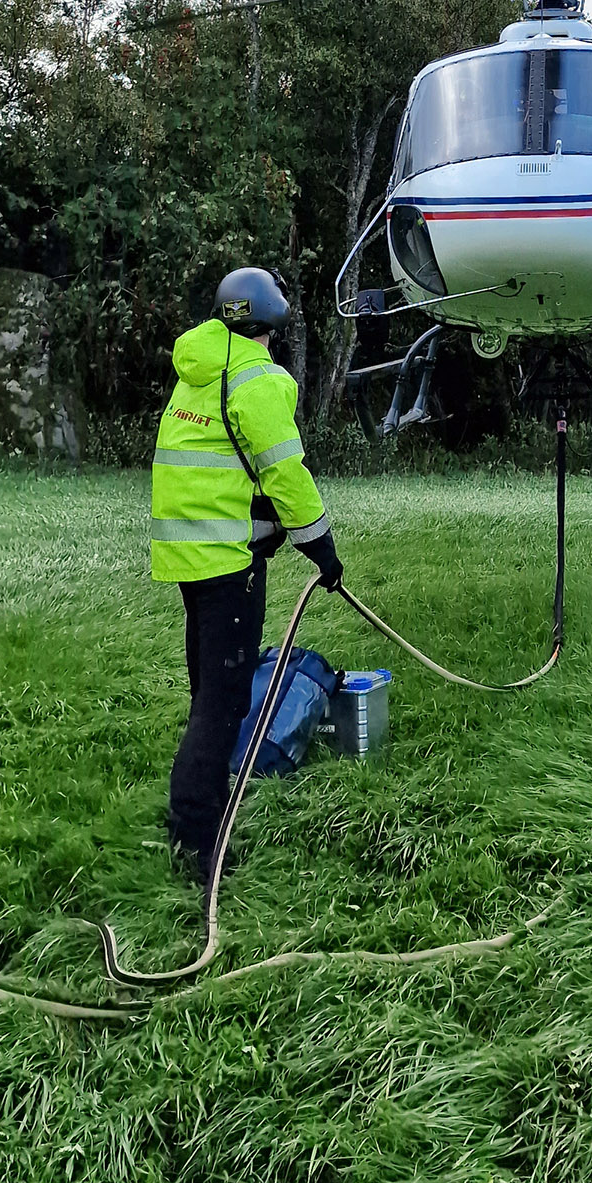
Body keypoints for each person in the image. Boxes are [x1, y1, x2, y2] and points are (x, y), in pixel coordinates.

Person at [150, 267, 344, 883]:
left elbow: (221, 470)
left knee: (208, 687)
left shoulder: (199, 369)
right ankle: (197, 841)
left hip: (187, 559)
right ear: (272, 320)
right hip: (228, 567)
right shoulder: (258, 379)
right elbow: (284, 474)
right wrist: (322, 548)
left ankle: (196, 805)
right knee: (222, 705)